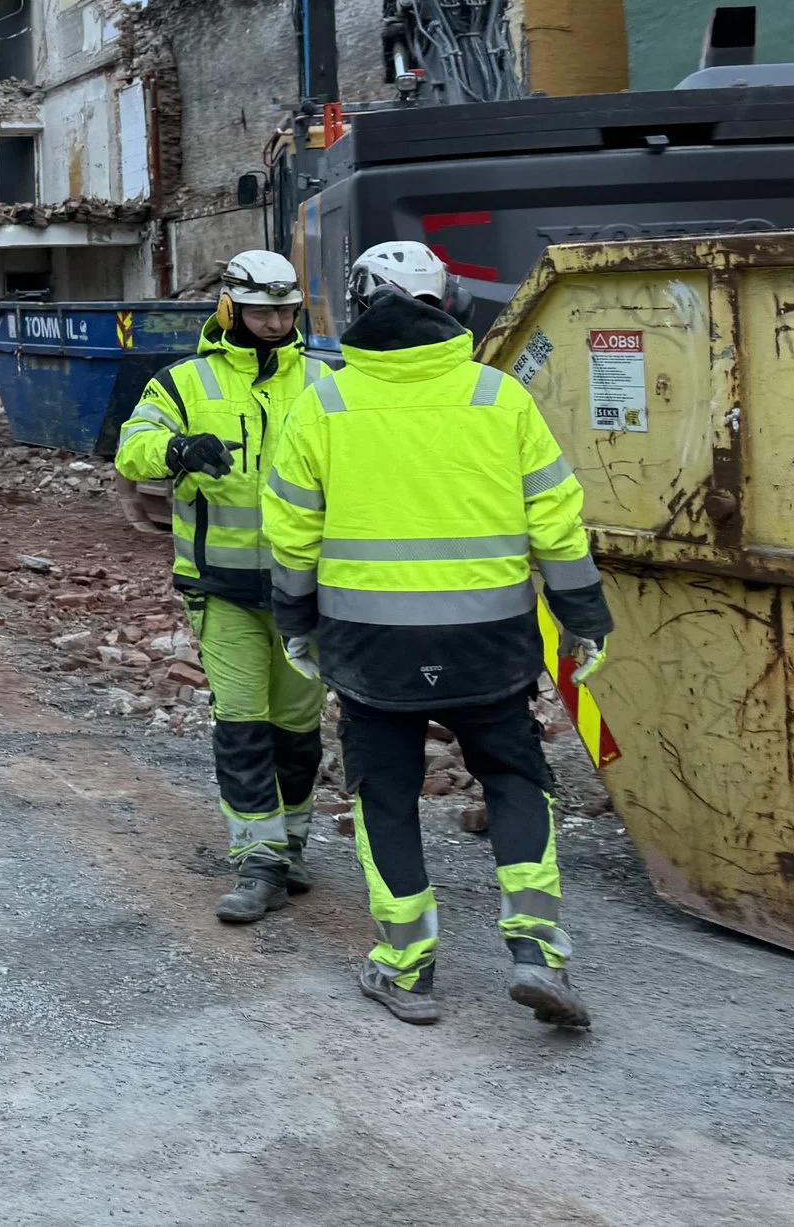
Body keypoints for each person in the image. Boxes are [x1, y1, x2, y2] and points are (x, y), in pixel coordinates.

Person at [263, 239, 612, 1028]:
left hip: (369, 646)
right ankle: (538, 951)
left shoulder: (324, 403)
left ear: (358, 307)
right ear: (445, 304)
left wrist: (294, 620)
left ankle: (406, 967)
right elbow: (557, 521)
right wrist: (584, 614)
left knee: (385, 796)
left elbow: (292, 534)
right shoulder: (499, 397)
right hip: (489, 641)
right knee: (516, 779)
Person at [115, 250, 329, 922]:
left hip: (308, 588)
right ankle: (258, 859)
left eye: (285, 310)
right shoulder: (185, 383)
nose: (274, 322)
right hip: (221, 584)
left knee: (297, 726)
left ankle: (291, 842)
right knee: (242, 722)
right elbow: (133, 444)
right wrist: (175, 450)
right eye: (262, 310)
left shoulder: (326, 381)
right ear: (232, 307)